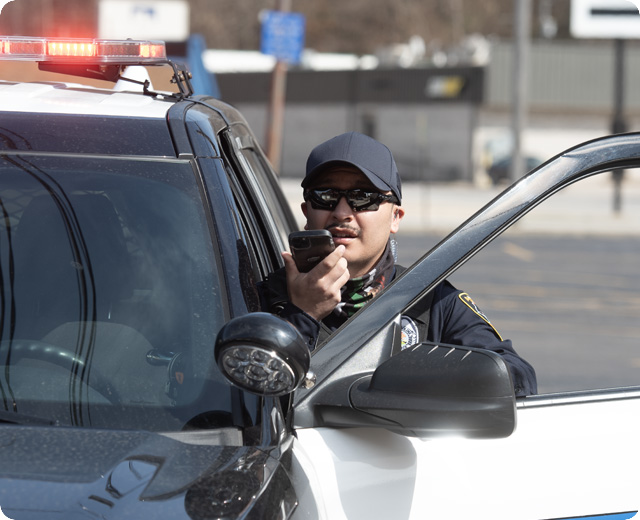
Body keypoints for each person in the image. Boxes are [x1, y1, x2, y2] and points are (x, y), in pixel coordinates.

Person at [260, 132, 537, 396]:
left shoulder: (432, 302)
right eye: (325, 196)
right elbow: (251, 395)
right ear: (307, 212)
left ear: (396, 218)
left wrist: (417, 387)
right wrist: (302, 316)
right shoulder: (258, 298)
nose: (342, 213)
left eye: (363, 198)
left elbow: (516, 377)